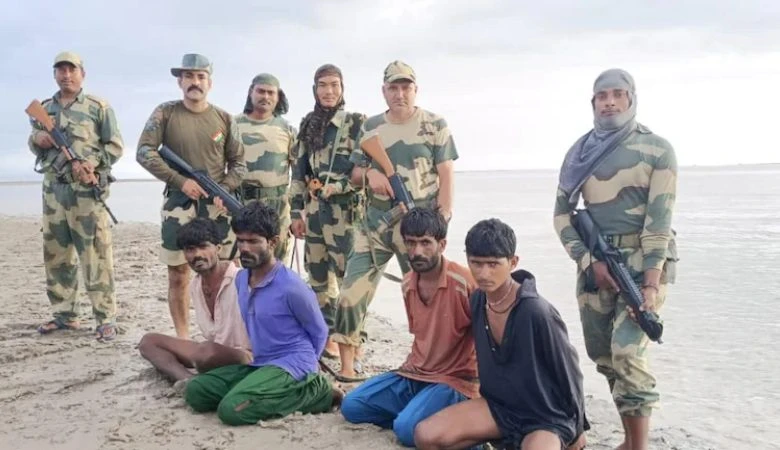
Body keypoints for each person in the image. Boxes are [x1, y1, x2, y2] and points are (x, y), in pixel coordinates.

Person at [552, 69, 678, 450]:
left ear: (631, 98)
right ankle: (628, 438)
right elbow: (561, 216)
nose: (609, 102)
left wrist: (650, 285)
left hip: (643, 264)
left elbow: (659, 224)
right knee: (604, 355)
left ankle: (638, 446)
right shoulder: (579, 154)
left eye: (617, 94)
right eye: (601, 96)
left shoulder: (657, 149)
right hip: (595, 263)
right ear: (593, 103)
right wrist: (588, 261)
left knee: (627, 352)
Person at [331, 60, 458, 381]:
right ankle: (347, 366)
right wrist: (370, 175)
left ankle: (431, 361)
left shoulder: (434, 124)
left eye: (406, 87)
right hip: (374, 225)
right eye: (393, 88)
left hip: (419, 228)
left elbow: (446, 175)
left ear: (415, 90)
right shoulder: (371, 127)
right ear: (384, 91)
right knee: (350, 293)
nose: (400, 94)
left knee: (425, 297)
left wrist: (442, 220)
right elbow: (355, 172)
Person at [414, 218, 588, 450]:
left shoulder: (536, 311)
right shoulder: (478, 300)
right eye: (476, 263)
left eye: (493, 264)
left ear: (513, 262)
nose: (484, 273)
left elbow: (569, 371)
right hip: (499, 408)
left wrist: (578, 428)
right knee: (425, 435)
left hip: (544, 416)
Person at [183, 201, 342, 425]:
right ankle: (273, 391)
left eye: (253, 241)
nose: (245, 248)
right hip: (262, 362)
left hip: (293, 364)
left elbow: (319, 331)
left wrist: (306, 369)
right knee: (197, 391)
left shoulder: (291, 286)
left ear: (272, 242)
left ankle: (318, 392)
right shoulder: (240, 280)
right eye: (241, 240)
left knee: (232, 410)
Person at [340, 208, 478, 447]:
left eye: (425, 243)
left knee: (406, 430)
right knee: (352, 406)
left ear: (442, 245)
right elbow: (420, 335)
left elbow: (489, 338)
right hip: (415, 373)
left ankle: (435, 414)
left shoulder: (463, 282)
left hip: (453, 379)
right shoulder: (407, 283)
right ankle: (421, 412)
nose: (417, 251)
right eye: (411, 243)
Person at [136, 53, 246, 339]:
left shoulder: (224, 118)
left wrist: (226, 189)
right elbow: (144, 152)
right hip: (178, 204)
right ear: (180, 82)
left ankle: (229, 334)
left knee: (228, 271)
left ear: (210, 82)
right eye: (188, 76)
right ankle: (184, 338)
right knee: (178, 272)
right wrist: (179, 181)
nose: (194, 82)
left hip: (217, 206)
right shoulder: (165, 113)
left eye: (200, 76)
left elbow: (239, 163)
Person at [29, 51, 124, 341]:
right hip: (54, 191)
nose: (66, 75)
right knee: (57, 255)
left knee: (96, 255)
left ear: (82, 73)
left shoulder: (98, 107)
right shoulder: (45, 108)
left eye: (71, 70)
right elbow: (34, 142)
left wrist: (91, 164)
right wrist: (38, 139)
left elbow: (115, 146)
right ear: (55, 74)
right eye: (61, 70)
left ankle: (105, 318)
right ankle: (65, 316)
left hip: (86, 193)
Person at [290, 63, 367, 359]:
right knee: (318, 278)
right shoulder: (308, 124)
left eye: (334, 85)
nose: (328, 91)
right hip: (315, 215)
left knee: (351, 280)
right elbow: (299, 173)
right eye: (323, 85)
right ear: (315, 90)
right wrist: (295, 212)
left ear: (342, 88)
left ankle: (354, 338)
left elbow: (365, 170)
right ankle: (328, 335)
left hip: (347, 217)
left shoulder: (356, 123)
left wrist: (338, 187)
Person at [138, 218, 252, 390]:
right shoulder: (196, 285)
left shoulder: (243, 280)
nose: (197, 254)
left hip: (245, 356)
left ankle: (203, 379)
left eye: (203, 246)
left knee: (205, 353)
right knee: (149, 342)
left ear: (218, 248)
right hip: (213, 353)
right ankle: (187, 379)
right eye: (190, 249)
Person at [235, 73, 296, 266]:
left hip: (277, 207)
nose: (266, 96)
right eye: (261, 91)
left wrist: (298, 212)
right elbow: (216, 158)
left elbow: (299, 173)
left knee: (275, 264)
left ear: (278, 97)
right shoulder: (231, 125)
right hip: (239, 203)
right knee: (241, 264)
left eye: (271, 93)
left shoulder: (288, 129)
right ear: (251, 92)